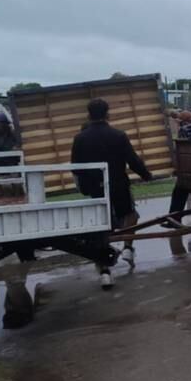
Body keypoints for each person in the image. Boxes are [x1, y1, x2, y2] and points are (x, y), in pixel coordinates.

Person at [71, 98, 153, 289]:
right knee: (131, 216)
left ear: (88, 115)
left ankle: (105, 273)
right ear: (108, 114)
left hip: (96, 190)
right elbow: (132, 160)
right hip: (119, 187)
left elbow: (76, 168)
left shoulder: (80, 138)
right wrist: (146, 175)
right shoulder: (119, 135)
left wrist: (83, 187)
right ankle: (127, 248)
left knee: (101, 229)